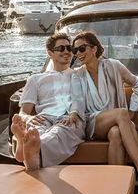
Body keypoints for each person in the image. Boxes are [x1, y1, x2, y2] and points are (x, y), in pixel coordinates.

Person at [71, 31, 138, 187]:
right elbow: (76, 102)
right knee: (121, 113)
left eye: (82, 49)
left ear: (94, 49)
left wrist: (133, 110)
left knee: (116, 133)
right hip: (92, 122)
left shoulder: (113, 65)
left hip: (117, 124)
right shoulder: (76, 75)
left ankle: (118, 187)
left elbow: (137, 84)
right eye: (75, 51)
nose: (78, 54)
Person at [11, 33, 86, 171]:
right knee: (35, 130)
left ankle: (26, 146)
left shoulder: (80, 75)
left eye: (69, 48)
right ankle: (28, 143)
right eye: (61, 48)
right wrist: (29, 118)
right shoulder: (35, 79)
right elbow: (24, 112)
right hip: (43, 118)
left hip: (69, 118)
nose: (66, 51)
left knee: (58, 133)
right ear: (50, 53)